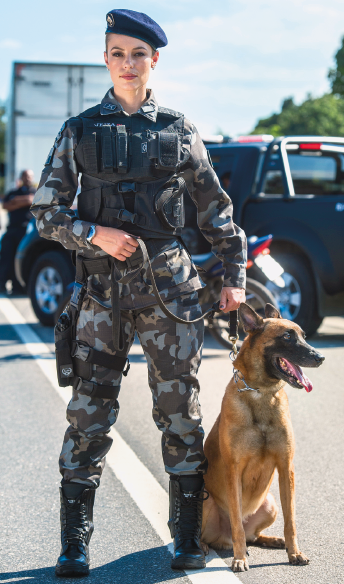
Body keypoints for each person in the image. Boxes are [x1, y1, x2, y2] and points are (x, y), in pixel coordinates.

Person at [30, 9, 246, 577]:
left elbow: (216, 210)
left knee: (181, 413)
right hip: (100, 294)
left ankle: (186, 537)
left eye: (139, 54)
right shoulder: (78, 130)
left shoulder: (179, 129)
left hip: (171, 294)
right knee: (88, 415)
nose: (128, 63)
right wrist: (91, 232)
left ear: (155, 60)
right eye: (118, 52)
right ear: (106, 57)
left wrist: (234, 275)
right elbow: (44, 215)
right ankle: (75, 542)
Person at [0, 170, 35, 294]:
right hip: (12, 230)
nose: (28, 178)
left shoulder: (35, 192)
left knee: (21, 260)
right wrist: (24, 201)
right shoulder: (13, 192)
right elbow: (5, 205)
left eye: (30, 176)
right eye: (25, 176)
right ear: (21, 178)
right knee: (6, 258)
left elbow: (32, 200)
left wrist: (16, 201)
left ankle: (18, 287)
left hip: (26, 231)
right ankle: (2, 285)